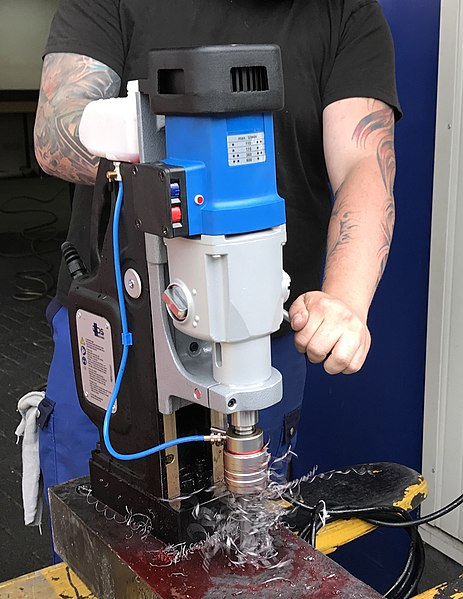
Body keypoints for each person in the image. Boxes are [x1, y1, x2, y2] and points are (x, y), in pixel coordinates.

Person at [33, 0, 400, 505]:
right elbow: (55, 132)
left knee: (248, 528)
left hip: (260, 333)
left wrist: (345, 301)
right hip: (115, 326)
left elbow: (365, 162)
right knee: (94, 512)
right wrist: (184, 159)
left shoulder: (345, 12)